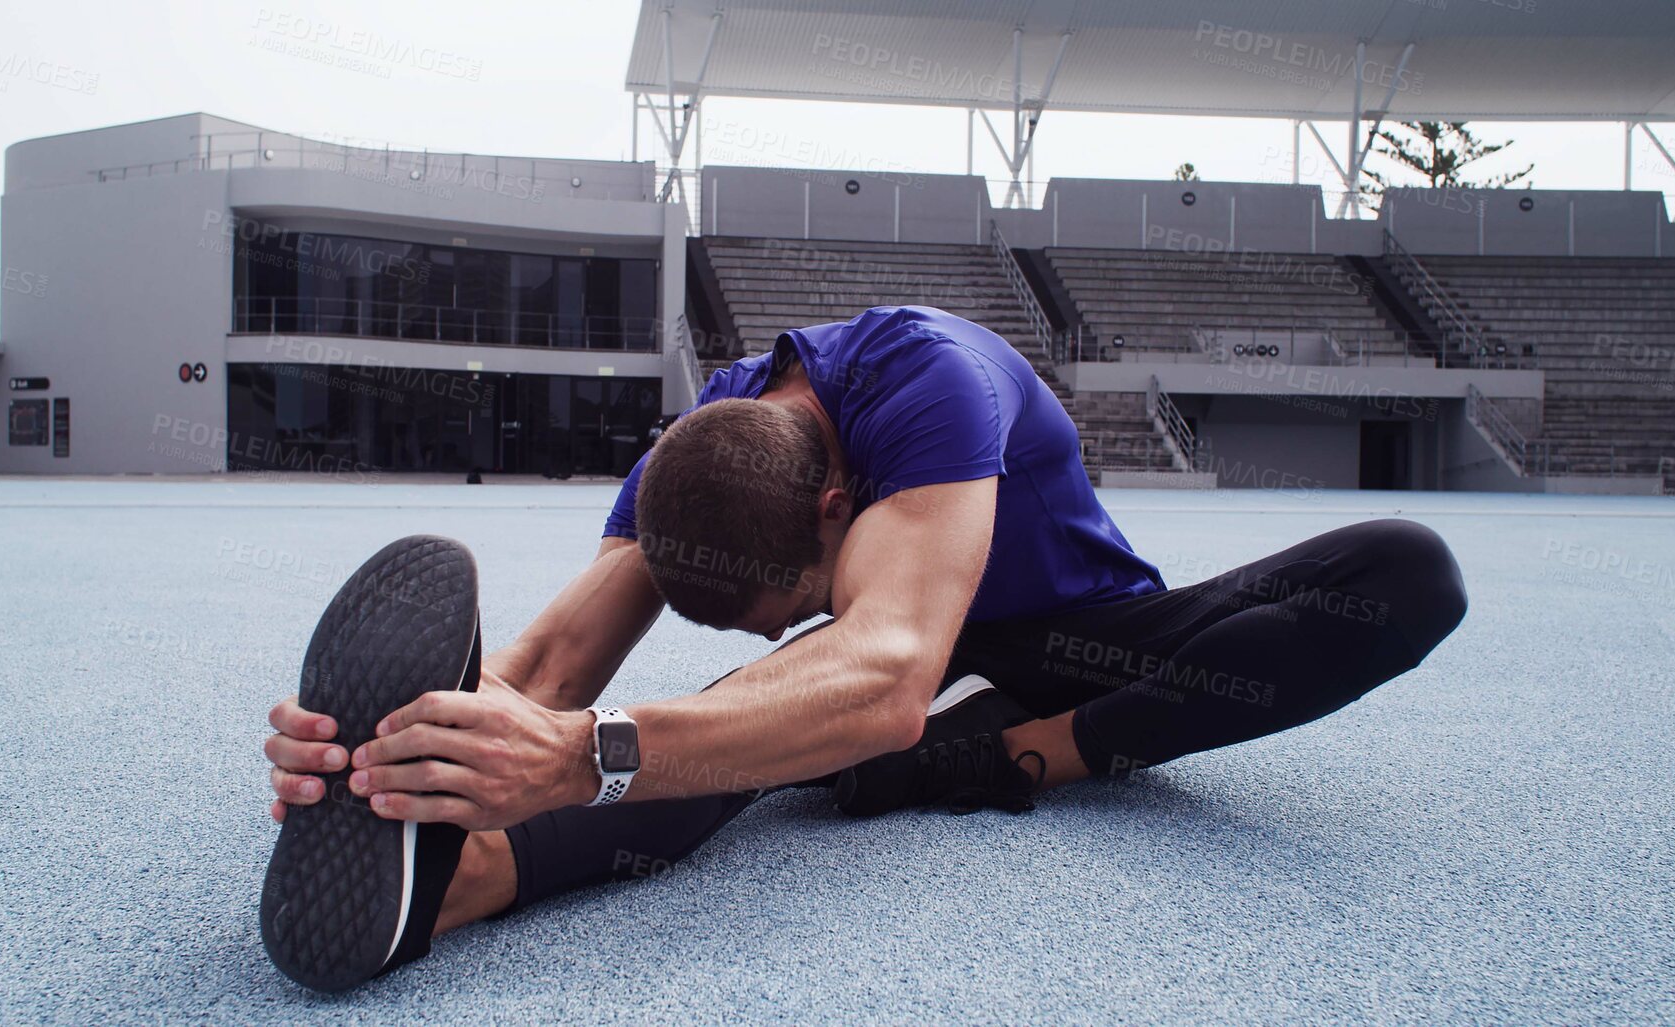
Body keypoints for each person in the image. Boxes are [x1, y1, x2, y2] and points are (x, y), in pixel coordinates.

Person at [261, 305, 1467, 983]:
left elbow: (884, 666)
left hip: (1091, 646)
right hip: (926, 690)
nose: (787, 622)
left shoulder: (927, 382)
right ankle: (455, 883)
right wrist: (412, 750)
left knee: (1407, 570)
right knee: (733, 724)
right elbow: (553, 665)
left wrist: (585, 756)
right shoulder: (699, 456)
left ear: (840, 502)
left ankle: (1039, 754)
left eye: (791, 599)